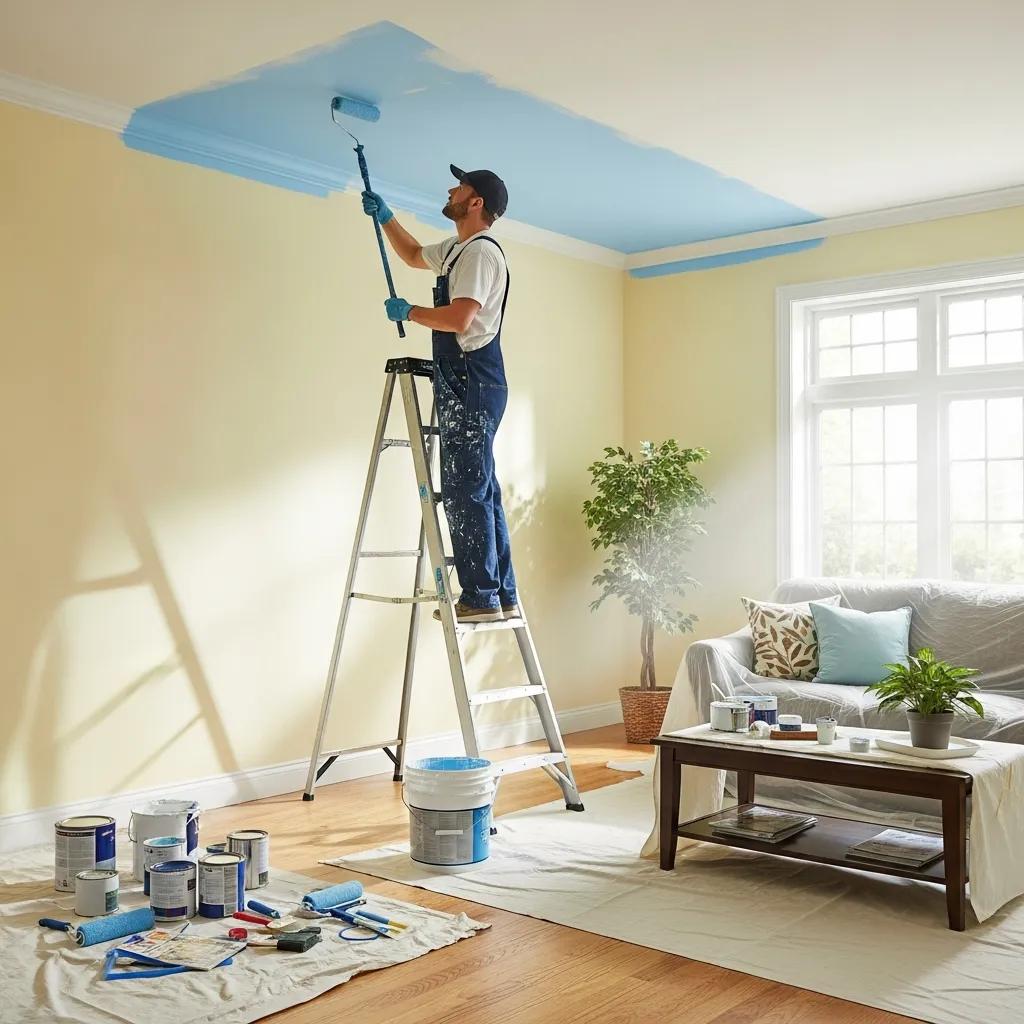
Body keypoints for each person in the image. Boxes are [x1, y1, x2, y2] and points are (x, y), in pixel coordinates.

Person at [361, 165, 518, 625]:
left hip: (474, 378)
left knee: (466, 489)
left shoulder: (480, 255)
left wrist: (410, 311)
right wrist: (385, 216)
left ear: (475, 203)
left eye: (461, 186)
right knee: (482, 488)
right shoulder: (456, 249)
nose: (451, 188)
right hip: (469, 378)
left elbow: (459, 320)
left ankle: (481, 598)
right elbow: (411, 255)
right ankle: (500, 593)